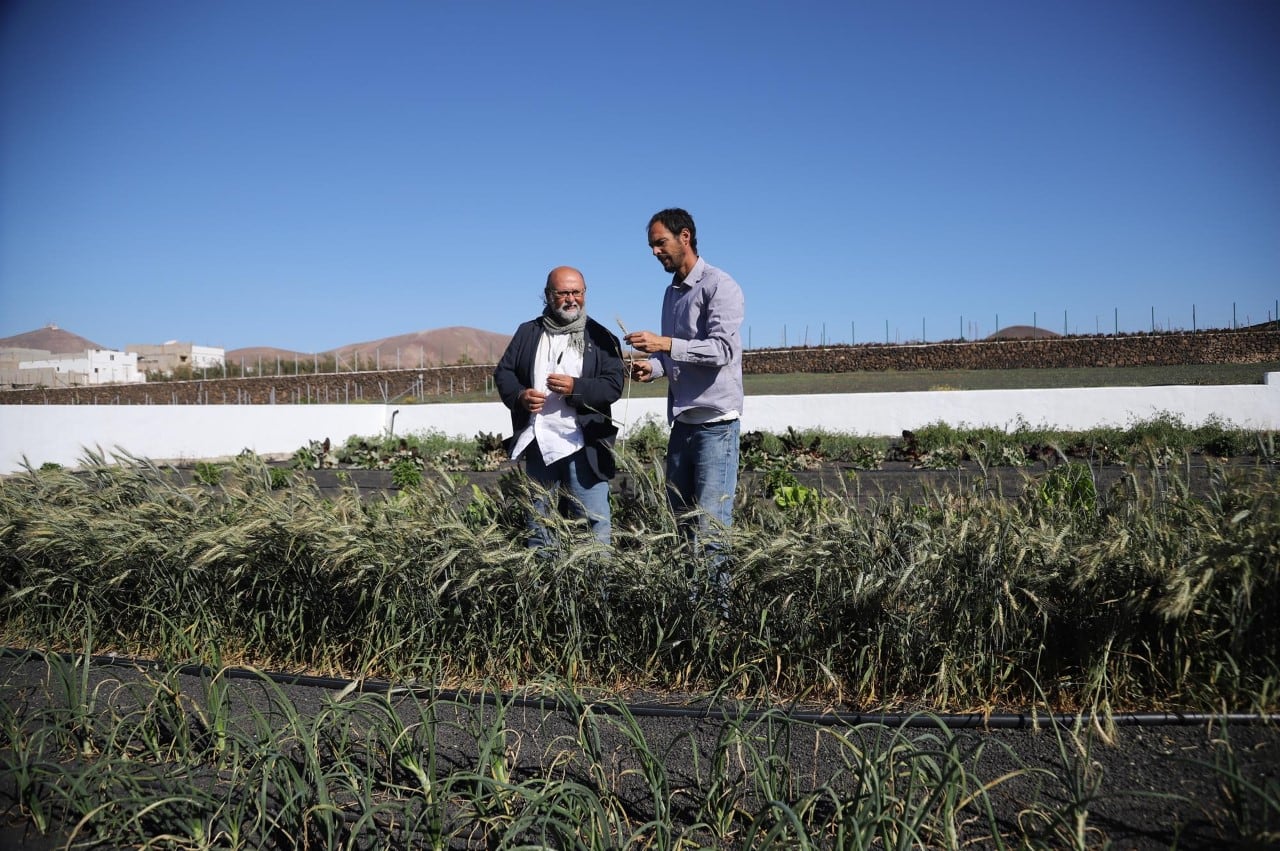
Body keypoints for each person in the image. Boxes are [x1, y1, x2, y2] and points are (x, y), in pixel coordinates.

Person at [624, 208, 745, 596]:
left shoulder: (719, 286)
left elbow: (722, 350)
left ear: (685, 237)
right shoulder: (672, 293)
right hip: (682, 425)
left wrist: (663, 345)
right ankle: (692, 614)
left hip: (716, 426)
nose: (655, 252)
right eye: (652, 246)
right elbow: (672, 355)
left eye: (661, 243)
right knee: (683, 527)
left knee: (711, 529)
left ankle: (717, 619)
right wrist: (653, 367)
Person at [495, 266, 625, 548]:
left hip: (585, 446)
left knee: (592, 526)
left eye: (576, 292)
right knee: (540, 525)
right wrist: (520, 396)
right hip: (540, 444)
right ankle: (545, 589)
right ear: (547, 295)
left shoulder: (601, 338)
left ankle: (595, 590)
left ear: (584, 293)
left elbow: (613, 386)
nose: (570, 299)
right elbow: (504, 373)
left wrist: (577, 388)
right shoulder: (528, 333)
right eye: (562, 293)